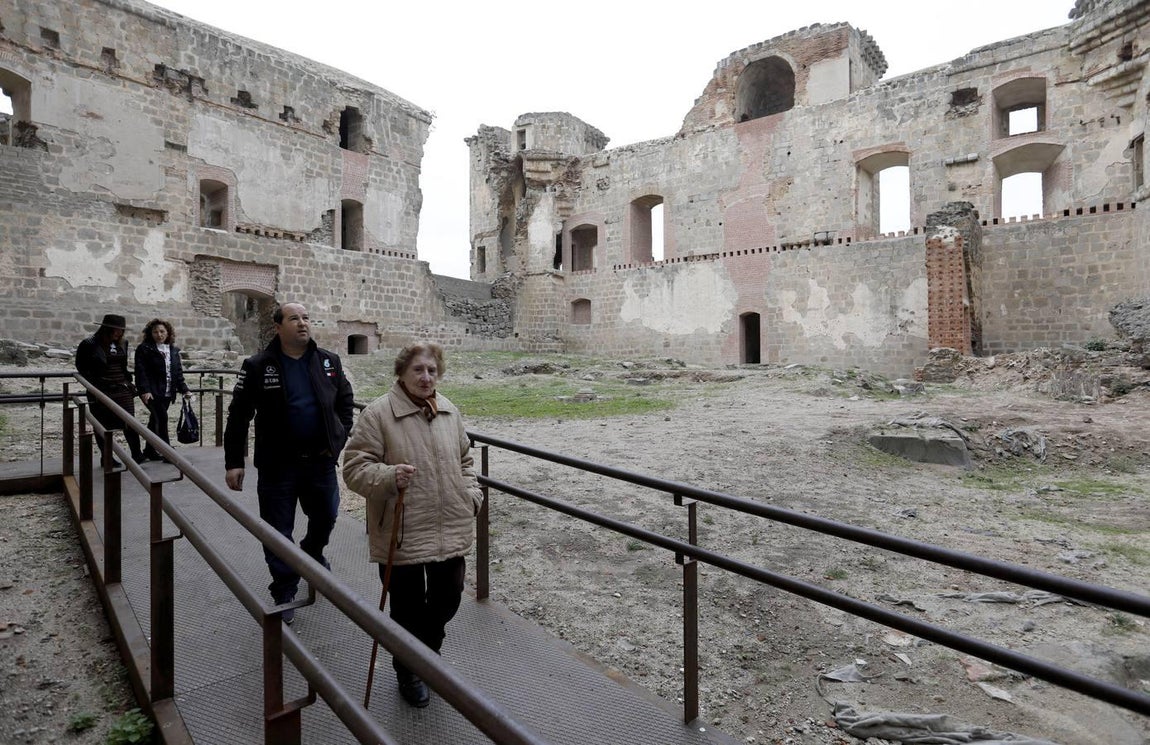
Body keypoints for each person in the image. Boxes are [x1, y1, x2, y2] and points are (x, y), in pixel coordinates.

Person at [342, 342, 483, 708]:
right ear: (401, 372)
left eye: (432, 371)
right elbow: (354, 469)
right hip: (401, 531)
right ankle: (409, 669)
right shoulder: (378, 414)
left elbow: (466, 461)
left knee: (448, 597)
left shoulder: (449, 410)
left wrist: (472, 497)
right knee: (406, 609)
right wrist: (388, 476)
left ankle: (426, 653)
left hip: (450, 524)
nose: (426, 377)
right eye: (418, 370)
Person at [223, 302, 355, 624]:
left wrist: (337, 439)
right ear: (278, 327)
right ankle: (285, 588)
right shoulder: (257, 366)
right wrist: (233, 461)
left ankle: (311, 555)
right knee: (278, 531)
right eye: (294, 318)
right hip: (277, 467)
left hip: (320, 464)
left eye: (307, 318)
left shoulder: (328, 362)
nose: (302, 323)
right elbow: (239, 415)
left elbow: (345, 402)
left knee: (325, 517)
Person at [75, 313, 144, 466]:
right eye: (115, 329)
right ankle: (106, 457)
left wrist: (128, 382)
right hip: (101, 389)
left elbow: (123, 366)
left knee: (130, 422)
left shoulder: (123, 343)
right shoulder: (89, 344)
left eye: (121, 330)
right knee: (103, 424)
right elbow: (81, 367)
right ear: (106, 329)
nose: (118, 333)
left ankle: (137, 454)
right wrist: (95, 384)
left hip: (122, 388)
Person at [134, 318, 193, 462]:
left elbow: (177, 373)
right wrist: (144, 390)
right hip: (152, 393)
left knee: (155, 420)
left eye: (162, 331)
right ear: (150, 333)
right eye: (155, 332)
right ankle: (167, 452)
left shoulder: (173, 350)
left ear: (168, 333)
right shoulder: (144, 349)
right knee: (162, 418)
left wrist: (185, 390)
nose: (159, 334)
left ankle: (149, 450)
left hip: (167, 392)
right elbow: (141, 371)